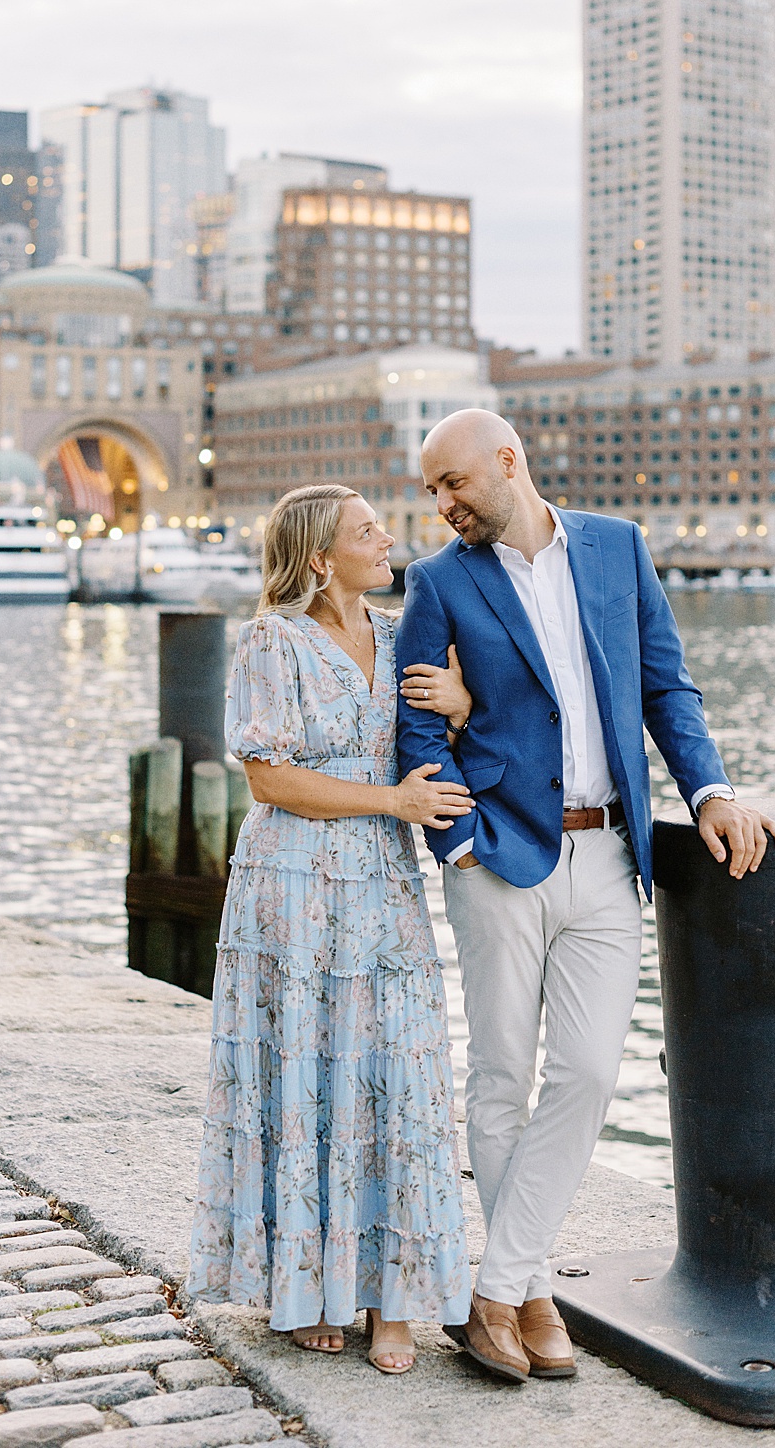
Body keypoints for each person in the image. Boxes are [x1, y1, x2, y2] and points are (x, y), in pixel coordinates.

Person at [395, 411, 775, 1385]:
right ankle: (525, 1295)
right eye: (430, 491)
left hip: (611, 855)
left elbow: (669, 690)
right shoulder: (441, 582)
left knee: (588, 1075)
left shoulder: (618, 548)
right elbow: (416, 727)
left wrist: (713, 793)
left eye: (452, 484)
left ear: (508, 463)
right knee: (499, 1076)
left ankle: (494, 1287)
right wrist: (459, 842)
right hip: (497, 860)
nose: (442, 506)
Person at [186, 484, 473, 1375]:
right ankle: (309, 1284)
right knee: (304, 1067)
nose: (388, 537)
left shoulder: (397, 638)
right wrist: (393, 799)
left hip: (382, 884)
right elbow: (269, 780)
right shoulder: (271, 640)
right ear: (320, 557)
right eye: (366, 530)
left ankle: (396, 1298)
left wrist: (461, 705)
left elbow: (445, 731)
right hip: (292, 885)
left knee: (398, 1070)